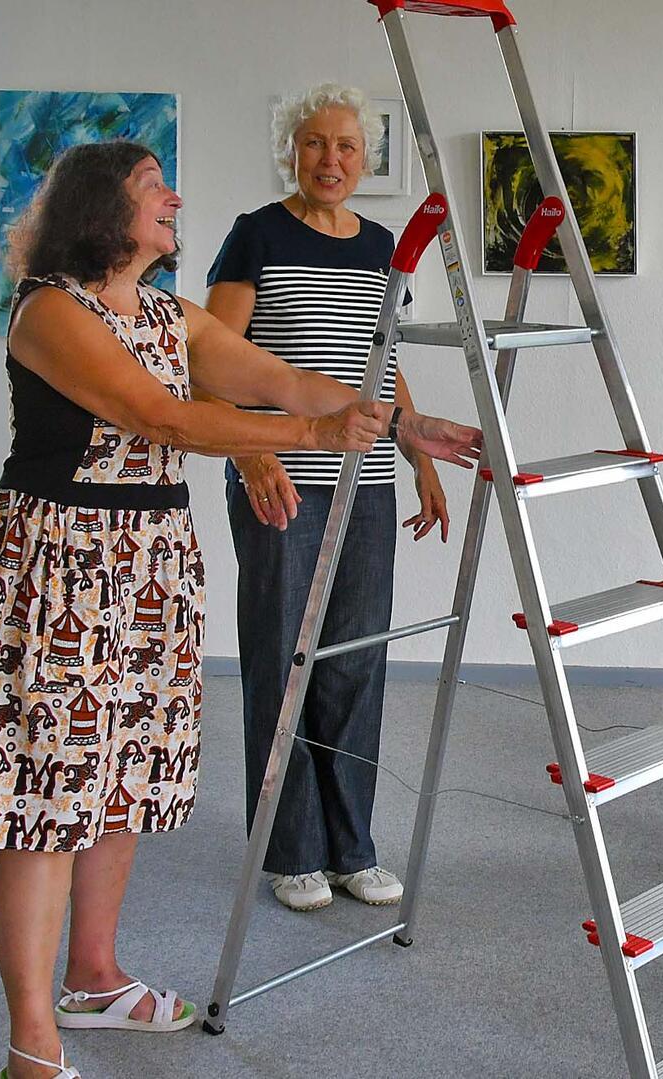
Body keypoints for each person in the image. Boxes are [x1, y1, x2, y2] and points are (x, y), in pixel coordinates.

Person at [0, 139, 481, 1079]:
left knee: (120, 785)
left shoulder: (164, 310)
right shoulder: (48, 311)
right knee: (46, 803)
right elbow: (162, 416)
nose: (175, 197)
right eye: (155, 188)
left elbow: (278, 377)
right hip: (58, 565)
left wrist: (403, 424)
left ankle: (96, 977)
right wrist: (306, 434)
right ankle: (31, 1044)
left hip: (147, 567)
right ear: (103, 206)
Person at [205, 83, 447, 914]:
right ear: (291, 151)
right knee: (283, 658)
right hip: (281, 478)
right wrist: (250, 448)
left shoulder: (382, 245)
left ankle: (351, 845)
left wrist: (417, 454)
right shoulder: (256, 235)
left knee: (354, 661)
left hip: (366, 479)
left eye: (346, 146)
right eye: (314, 144)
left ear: (367, 159)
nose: (330, 160)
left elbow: (380, 359)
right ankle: (290, 849)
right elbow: (212, 359)